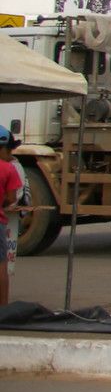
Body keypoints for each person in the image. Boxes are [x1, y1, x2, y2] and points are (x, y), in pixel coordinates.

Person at [1, 130, 25, 307]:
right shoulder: (8, 168)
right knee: (1, 267)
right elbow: (11, 198)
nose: (11, 155)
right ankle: (3, 309)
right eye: (8, 150)